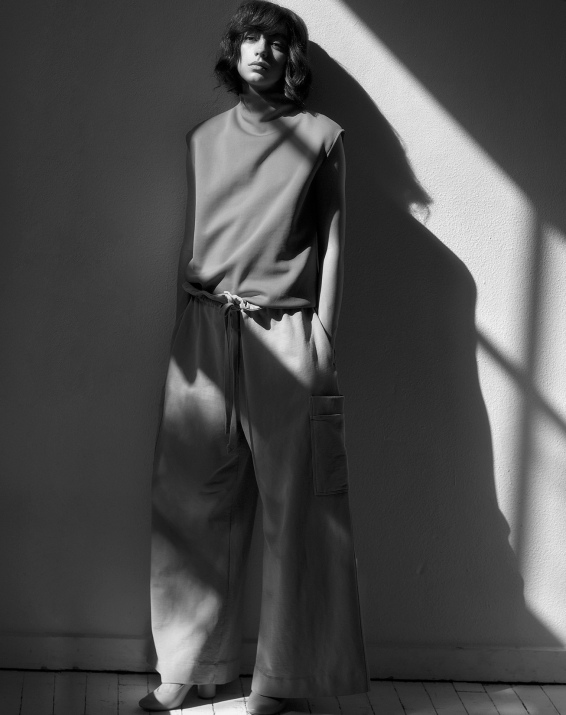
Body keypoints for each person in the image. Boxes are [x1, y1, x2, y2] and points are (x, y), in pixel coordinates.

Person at [140, 1, 369, 711]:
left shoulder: (322, 137)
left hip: (289, 331)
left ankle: (288, 678)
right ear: (232, 51)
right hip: (204, 326)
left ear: (291, 56)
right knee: (188, 498)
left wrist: (323, 336)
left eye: (274, 40)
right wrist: (186, 321)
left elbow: (334, 240)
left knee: (299, 509)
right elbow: (196, 234)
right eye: (248, 38)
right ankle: (187, 666)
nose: (260, 50)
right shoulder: (204, 138)